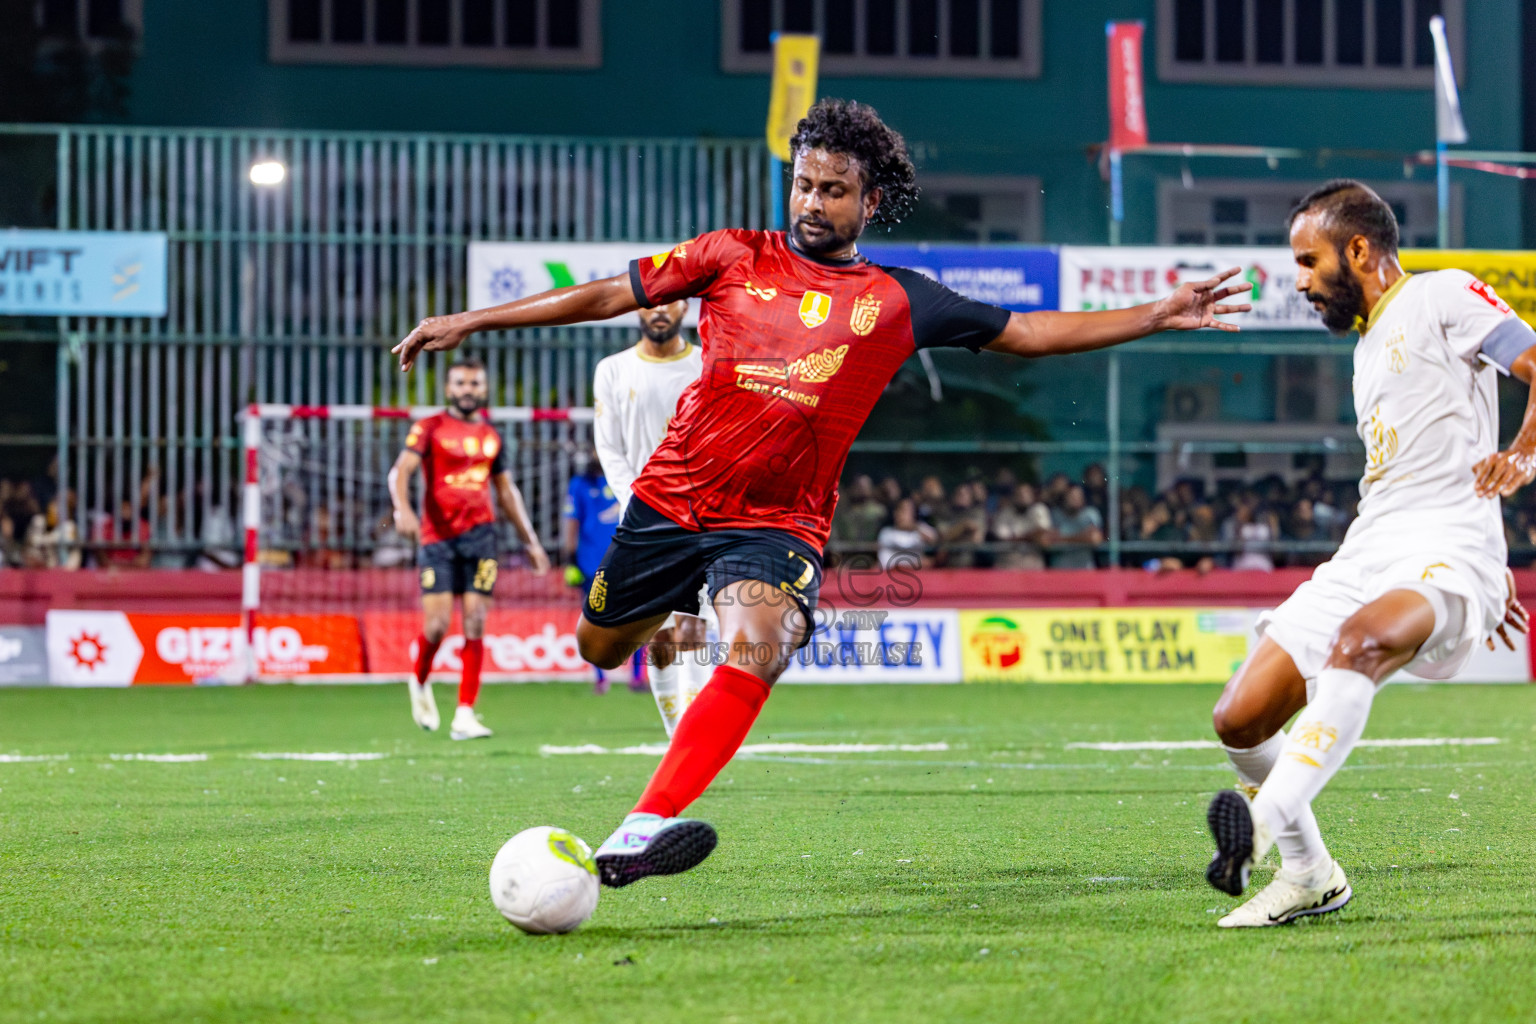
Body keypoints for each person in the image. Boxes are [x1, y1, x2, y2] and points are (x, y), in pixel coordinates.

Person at [393, 98, 1249, 889]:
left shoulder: (897, 299)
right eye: (804, 183)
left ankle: (642, 826)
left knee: (757, 646)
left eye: (833, 190)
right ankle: (669, 632)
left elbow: (1025, 331)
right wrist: (474, 322)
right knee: (599, 647)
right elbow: (612, 292)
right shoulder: (730, 255)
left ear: (867, 202)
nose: (812, 201)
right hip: (670, 502)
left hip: (777, 525)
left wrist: (1152, 313)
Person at [1204, 180, 1532, 928]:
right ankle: (1311, 874)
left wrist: (1523, 458)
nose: (1298, 281)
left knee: (1360, 644)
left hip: (1446, 552)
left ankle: (1254, 829)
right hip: (1367, 551)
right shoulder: (1366, 345)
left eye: (1307, 260)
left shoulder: (1444, 295)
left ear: (1357, 249)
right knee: (1240, 719)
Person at [388, 356, 550, 740]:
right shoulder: (429, 428)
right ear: (448, 389)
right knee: (438, 625)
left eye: (474, 384)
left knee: (476, 620)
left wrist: (531, 541)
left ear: (484, 389)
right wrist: (402, 509)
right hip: (438, 539)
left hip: (482, 538)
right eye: (460, 383)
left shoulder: (493, 436)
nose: (467, 390)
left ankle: (465, 713)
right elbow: (401, 471)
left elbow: (507, 492)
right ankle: (420, 679)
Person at [591, 300, 711, 734]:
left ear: (686, 309)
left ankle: (693, 741)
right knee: (657, 636)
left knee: (694, 629)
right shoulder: (612, 369)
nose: (661, 310)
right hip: (642, 517)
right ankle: (675, 734)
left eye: (671, 302)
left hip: (699, 515)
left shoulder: (706, 363)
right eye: (652, 303)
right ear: (639, 310)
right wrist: (634, 503)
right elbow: (609, 447)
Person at [561, 450, 625, 695]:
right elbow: (571, 521)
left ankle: (638, 676)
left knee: (635, 614)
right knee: (593, 618)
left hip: (623, 560)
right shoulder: (579, 485)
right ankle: (600, 676)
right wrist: (570, 559)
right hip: (591, 564)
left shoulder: (621, 479)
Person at [1048, 484, 1103, 569]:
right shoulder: (1055, 514)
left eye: (1078, 496)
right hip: (1060, 571)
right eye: (1072, 496)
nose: (1075, 499)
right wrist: (1083, 537)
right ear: (1065, 498)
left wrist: (1063, 539)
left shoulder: (1090, 514)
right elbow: (1048, 540)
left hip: (1085, 570)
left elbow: (1095, 539)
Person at [876, 497, 937, 569]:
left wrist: (915, 526)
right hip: (890, 574)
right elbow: (883, 560)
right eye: (903, 511)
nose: (905, 515)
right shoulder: (886, 533)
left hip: (916, 574)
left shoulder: (919, 531)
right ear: (896, 513)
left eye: (909, 511)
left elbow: (934, 539)